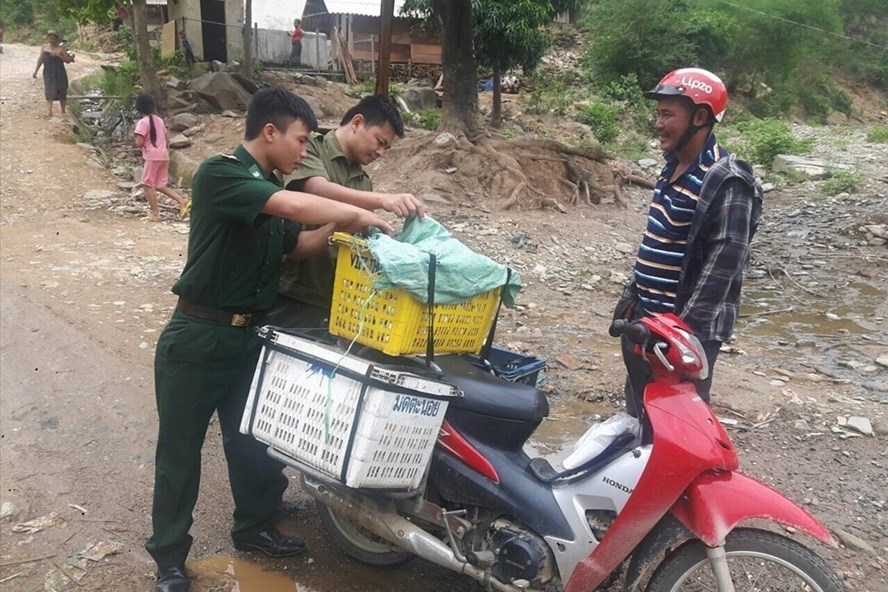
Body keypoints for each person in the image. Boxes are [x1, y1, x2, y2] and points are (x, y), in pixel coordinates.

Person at [145, 86, 392, 592]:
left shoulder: (273, 187)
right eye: (301, 140)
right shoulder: (222, 174)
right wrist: (356, 212)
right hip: (198, 335)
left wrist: (335, 228)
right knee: (180, 451)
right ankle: (169, 556)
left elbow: (298, 247)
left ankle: (254, 526)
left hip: (250, 335)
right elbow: (290, 206)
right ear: (271, 131)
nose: (305, 151)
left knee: (253, 440)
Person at [613, 67, 763, 417]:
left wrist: (680, 332)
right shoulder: (671, 168)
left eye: (668, 114)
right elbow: (659, 240)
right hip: (648, 322)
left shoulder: (728, 180)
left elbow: (725, 260)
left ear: (699, 117)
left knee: (678, 421)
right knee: (639, 408)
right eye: (658, 113)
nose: (658, 123)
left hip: (683, 331)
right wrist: (633, 296)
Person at [266, 94, 423, 328]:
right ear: (357, 122)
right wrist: (383, 200)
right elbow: (318, 190)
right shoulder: (308, 147)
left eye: (386, 148)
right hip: (292, 293)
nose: (380, 152)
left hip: (336, 300)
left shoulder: (363, 181)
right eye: (379, 141)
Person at [134, 93, 191, 221]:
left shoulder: (142, 123)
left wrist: (141, 146)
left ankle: (155, 214)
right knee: (159, 185)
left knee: (147, 184)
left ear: (138, 107)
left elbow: (138, 142)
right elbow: (167, 140)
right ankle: (182, 201)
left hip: (152, 156)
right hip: (164, 156)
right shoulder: (159, 120)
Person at [33, 30, 73, 118]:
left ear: (57, 39)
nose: (51, 40)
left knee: (62, 91)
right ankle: (49, 112)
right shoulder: (44, 47)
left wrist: (59, 55)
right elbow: (41, 59)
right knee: (49, 91)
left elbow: (67, 60)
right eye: (50, 38)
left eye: (53, 39)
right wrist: (36, 70)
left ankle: (63, 111)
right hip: (48, 73)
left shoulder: (61, 49)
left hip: (60, 73)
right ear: (47, 38)